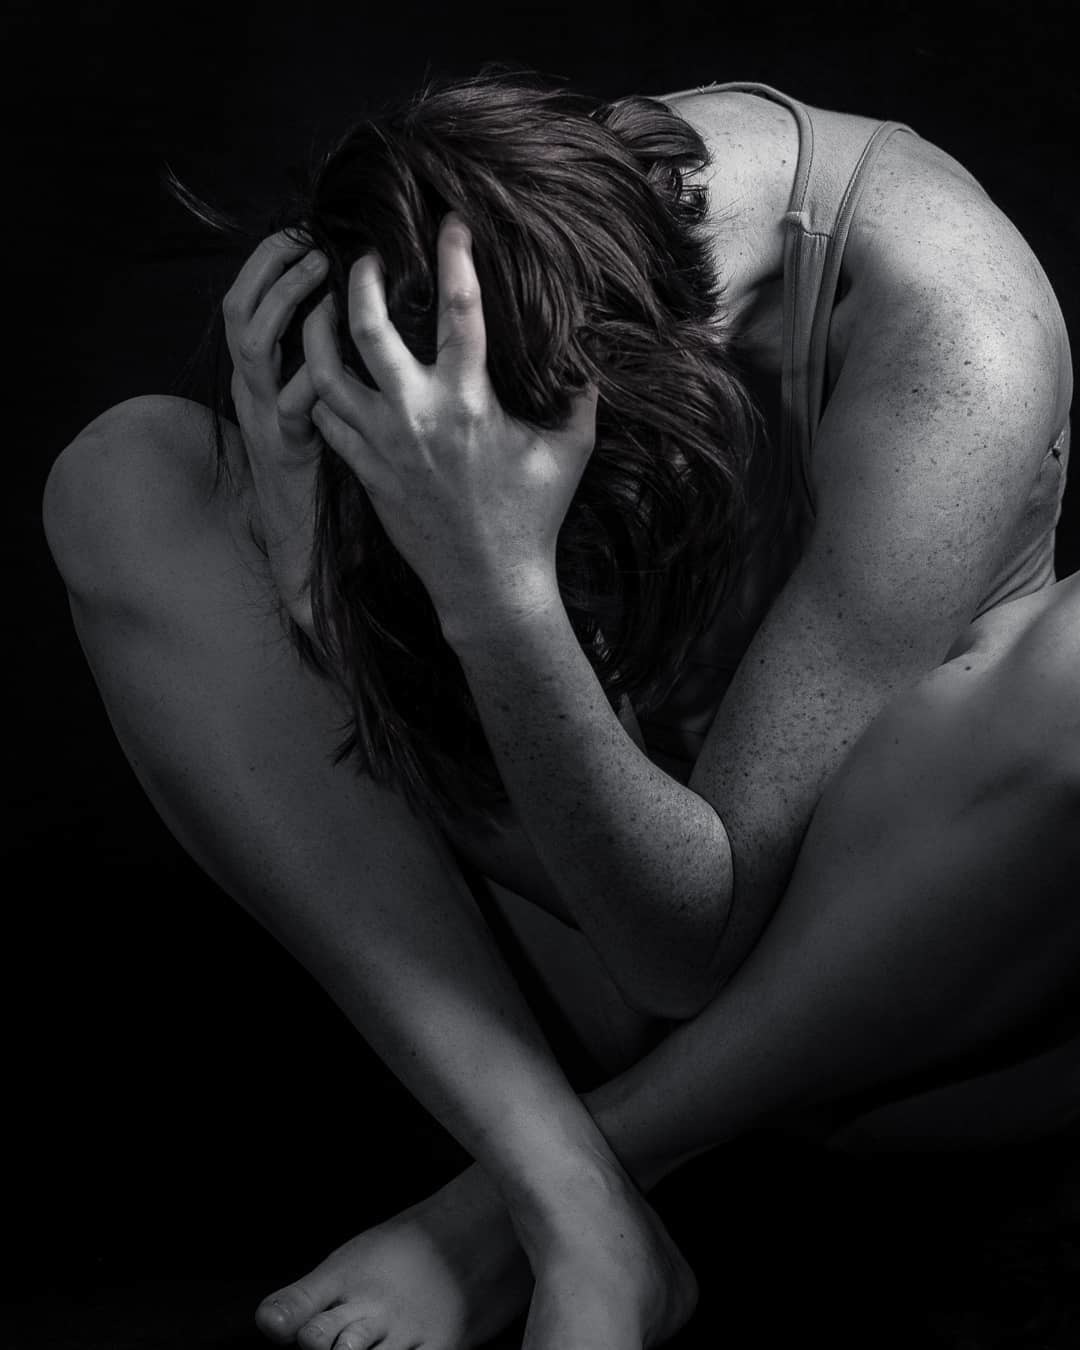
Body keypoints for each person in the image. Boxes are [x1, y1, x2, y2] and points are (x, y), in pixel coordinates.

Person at [42, 65, 1079, 1350]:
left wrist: (498, 590)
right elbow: (608, 909)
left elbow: (690, 948)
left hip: (881, 997)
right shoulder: (482, 248)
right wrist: (314, 577)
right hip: (578, 938)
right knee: (128, 475)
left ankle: (513, 1207)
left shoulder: (954, 330)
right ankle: (575, 1202)